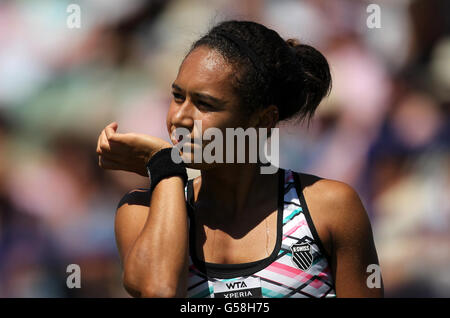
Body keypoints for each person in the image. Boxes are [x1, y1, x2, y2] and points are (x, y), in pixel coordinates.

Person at [96, 20, 383, 298]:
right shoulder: (140, 212)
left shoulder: (332, 208)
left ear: (262, 120)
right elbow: (161, 291)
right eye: (177, 96)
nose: (180, 118)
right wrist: (166, 168)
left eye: (205, 104)